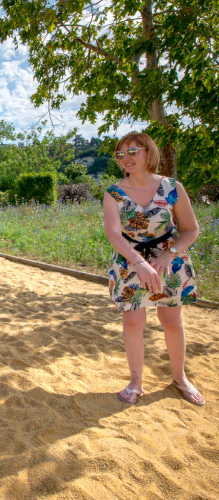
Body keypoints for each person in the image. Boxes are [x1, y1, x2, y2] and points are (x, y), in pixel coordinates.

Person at [103, 131, 205, 406]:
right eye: (120, 154)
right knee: (133, 322)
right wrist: (141, 263)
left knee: (171, 321)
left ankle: (179, 378)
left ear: (149, 152)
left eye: (132, 151)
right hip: (130, 262)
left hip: (170, 263)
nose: (125, 158)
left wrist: (168, 255)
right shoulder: (114, 192)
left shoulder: (173, 187)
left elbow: (191, 230)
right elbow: (113, 233)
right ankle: (136, 382)